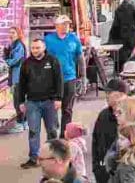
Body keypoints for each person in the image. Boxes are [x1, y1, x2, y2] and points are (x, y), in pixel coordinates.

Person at [20, 36, 63, 169]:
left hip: (50, 102)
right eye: (33, 48)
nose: (35, 50)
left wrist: (58, 99)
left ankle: (54, 156)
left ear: (44, 48)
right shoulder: (26, 63)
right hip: (32, 103)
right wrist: (21, 102)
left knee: (52, 131)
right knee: (33, 131)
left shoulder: (53, 60)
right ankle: (34, 158)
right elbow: (21, 84)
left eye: (37, 47)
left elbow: (59, 80)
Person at [43, 15, 83, 137]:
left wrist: (83, 77)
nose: (66, 26)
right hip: (52, 80)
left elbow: (80, 58)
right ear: (56, 26)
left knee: (67, 110)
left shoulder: (74, 38)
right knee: (51, 109)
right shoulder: (48, 39)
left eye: (67, 24)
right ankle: (52, 136)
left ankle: (64, 136)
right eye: (63, 24)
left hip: (69, 78)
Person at [92, 79, 128, 183]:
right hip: (104, 173)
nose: (106, 96)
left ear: (121, 94)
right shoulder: (103, 115)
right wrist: (97, 168)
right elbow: (95, 142)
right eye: (106, 93)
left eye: (109, 93)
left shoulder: (134, 114)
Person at [6, 25, 27, 133]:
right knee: (20, 101)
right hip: (16, 77)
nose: (11, 34)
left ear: (18, 34)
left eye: (13, 32)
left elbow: (15, 60)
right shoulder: (14, 45)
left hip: (18, 78)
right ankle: (24, 123)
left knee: (18, 102)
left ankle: (20, 124)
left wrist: (6, 62)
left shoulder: (19, 45)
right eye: (10, 32)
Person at [109, 0, 135, 67]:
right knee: (132, 50)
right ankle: (132, 66)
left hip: (122, 33)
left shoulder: (118, 8)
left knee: (124, 51)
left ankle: (124, 66)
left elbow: (116, 23)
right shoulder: (132, 7)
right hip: (132, 33)